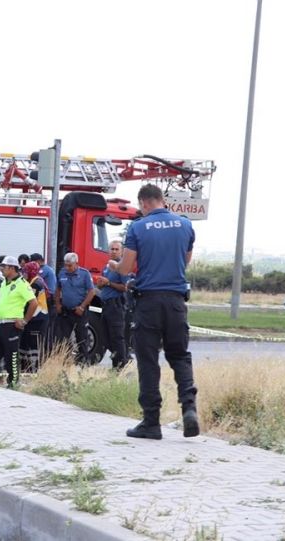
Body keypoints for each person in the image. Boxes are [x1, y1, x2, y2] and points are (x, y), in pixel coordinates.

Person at [116, 184, 199, 440]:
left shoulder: (138, 227)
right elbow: (185, 261)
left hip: (148, 302)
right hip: (176, 301)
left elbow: (127, 266)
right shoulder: (185, 225)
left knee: (149, 360)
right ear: (162, 200)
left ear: (143, 203)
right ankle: (189, 409)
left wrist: (116, 267)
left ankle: (151, 422)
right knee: (180, 356)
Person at [0, 256, 38, 388]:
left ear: (12, 268)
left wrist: (24, 321)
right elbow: (2, 301)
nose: (1, 269)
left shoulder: (22, 284)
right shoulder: (3, 282)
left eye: (4, 267)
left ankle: (13, 383)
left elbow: (34, 303)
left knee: (11, 355)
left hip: (12, 325)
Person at [55, 252, 96, 364]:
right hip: (66, 312)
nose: (67, 267)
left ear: (76, 263)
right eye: (66, 265)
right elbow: (58, 289)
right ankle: (66, 362)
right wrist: (58, 304)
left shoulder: (84, 274)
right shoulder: (62, 273)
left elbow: (91, 291)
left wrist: (82, 307)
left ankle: (83, 363)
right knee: (63, 339)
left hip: (79, 312)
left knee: (82, 339)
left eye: (70, 265)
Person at [95, 240, 129, 370]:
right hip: (106, 305)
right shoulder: (107, 266)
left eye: (116, 249)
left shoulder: (122, 267)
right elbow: (103, 285)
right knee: (105, 337)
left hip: (116, 305)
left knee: (117, 337)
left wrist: (109, 283)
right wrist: (101, 284)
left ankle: (120, 365)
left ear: (121, 251)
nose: (114, 251)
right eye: (112, 249)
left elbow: (125, 287)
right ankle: (123, 358)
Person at [19, 261, 49, 372]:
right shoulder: (32, 281)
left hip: (38, 319)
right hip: (32, 318)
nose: (23, 274)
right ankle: (25, 368)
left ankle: (33, 369)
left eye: (26, 271)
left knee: (33, 344)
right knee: (25, 342)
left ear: (31, 271)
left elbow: (29, 302)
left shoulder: (36, 283)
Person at [30, 253, 57, 348]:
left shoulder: (42, 271)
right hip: (48, 301)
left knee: (46, 330)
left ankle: (46, 351)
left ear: (38, 261)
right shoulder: (48, 269)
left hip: (48, 302)